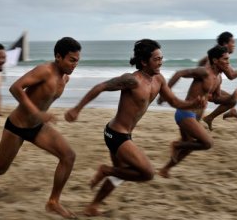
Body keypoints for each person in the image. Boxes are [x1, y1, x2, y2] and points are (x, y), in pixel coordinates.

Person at [64, 39, 206, 216]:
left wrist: (192, 103)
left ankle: (92, 206)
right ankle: (105, 170)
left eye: (162, 58)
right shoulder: (132, 80)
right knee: (147, 173)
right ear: (144, 61)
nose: (161, 62)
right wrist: (77, 109)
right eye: (156, 59)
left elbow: (175, 102)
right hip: (116, 134)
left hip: (123, 135)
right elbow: (100, 87)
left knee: (121, 174)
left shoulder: (159, 80)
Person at [0, 37, 80, 219]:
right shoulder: (44, 71)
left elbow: (43, 99)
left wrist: (42, 116)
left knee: (68, 156)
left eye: (77, 60)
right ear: (58, 56)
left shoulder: (65, 79)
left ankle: (53, 202)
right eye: (71, 60)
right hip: (17, 126)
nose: (74, 65)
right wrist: (36, 112)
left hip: (37, 127)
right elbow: (16, 88)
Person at [157, 45, 237, 178]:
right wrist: (165, 94)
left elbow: (216, 98)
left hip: (195, 117)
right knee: (207, 143)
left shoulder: (218, 78)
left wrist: (231, 98)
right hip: (185, 113)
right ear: (215, 61)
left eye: (229, 59)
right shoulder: (204, 72)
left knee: (189, 147)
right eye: (225, 59)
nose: (228, 63)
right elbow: (179, 73)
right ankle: (176, 145)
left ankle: (165, 169)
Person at [198, 32, 237, 130]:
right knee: (232, 101)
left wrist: (200, 75)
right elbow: (231, 75)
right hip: (205, 90)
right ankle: (208, 118)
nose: (234, 45)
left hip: (211, 86)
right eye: (232, 42)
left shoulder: (215, 52)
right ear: (225, 44)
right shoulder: (220, 56)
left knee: (231, 101)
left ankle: (209, 118)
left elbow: (201, 62)